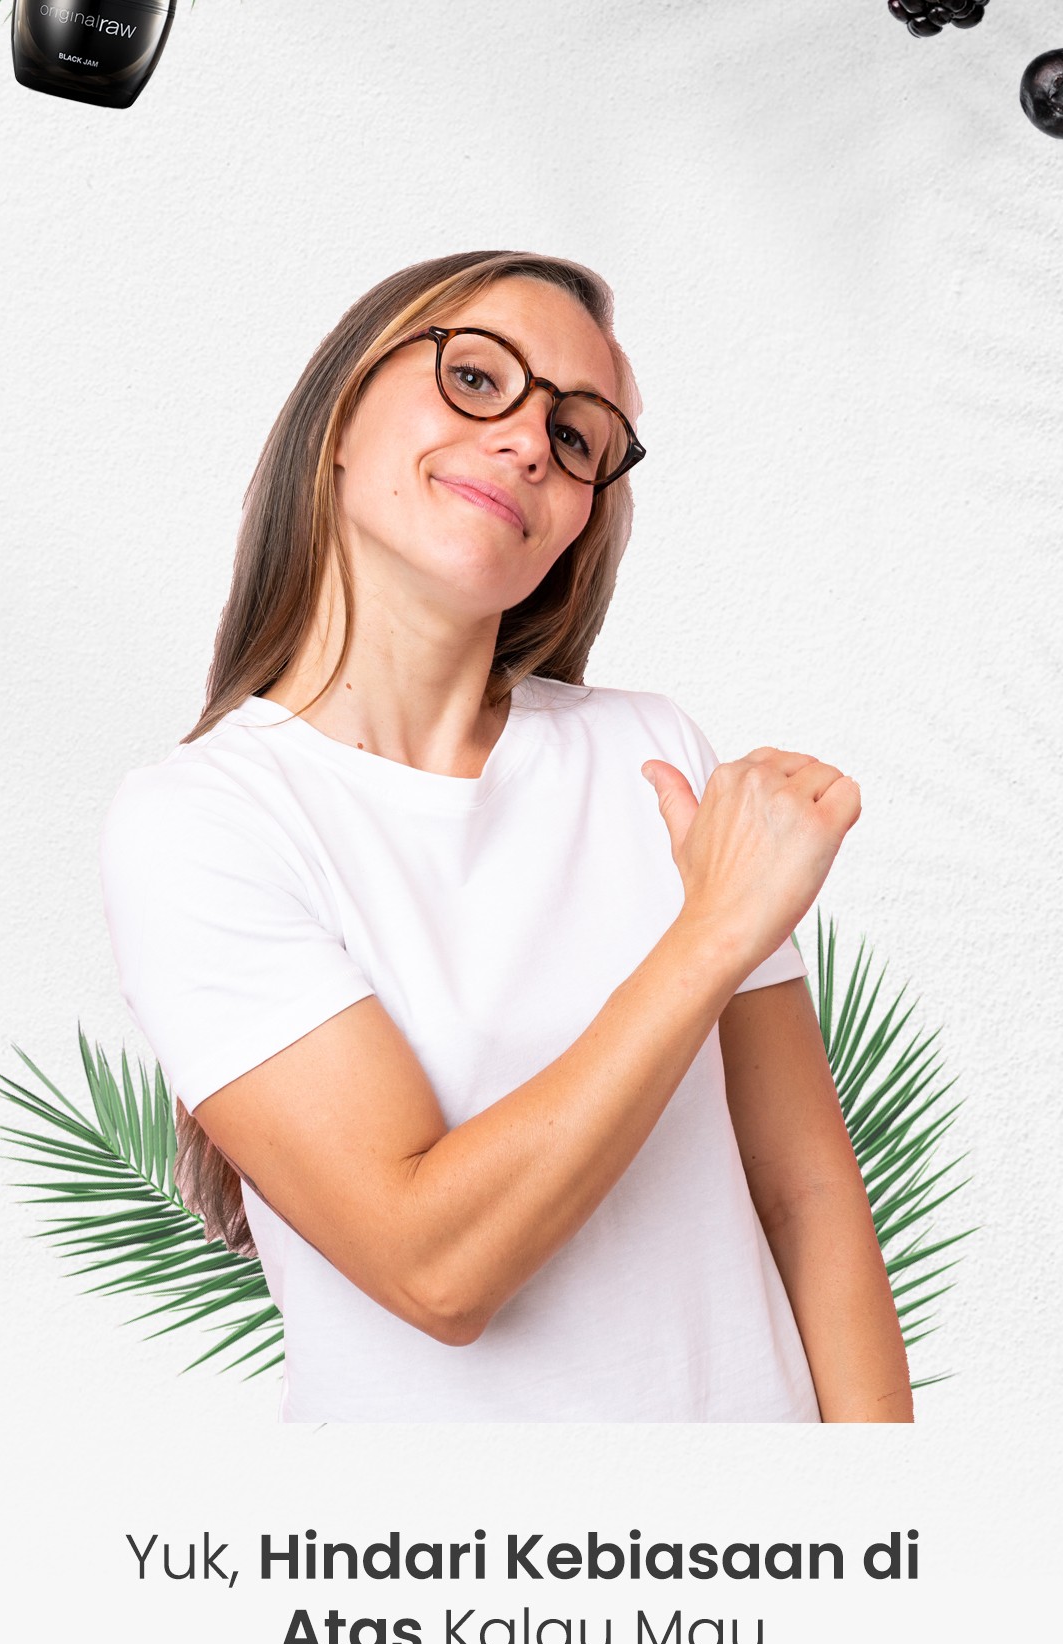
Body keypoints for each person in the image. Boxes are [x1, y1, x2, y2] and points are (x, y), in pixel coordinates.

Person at [100, 248, 913, 1425]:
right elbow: (438, 1269)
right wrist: (712, 935)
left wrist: (887, 1515)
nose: (531, 441)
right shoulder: (203, 823)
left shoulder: (652, 754)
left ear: (581, 519)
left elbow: (808, 1195)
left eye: (577, 436)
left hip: (765, 1529)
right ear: (340, 414)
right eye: (477, 378)